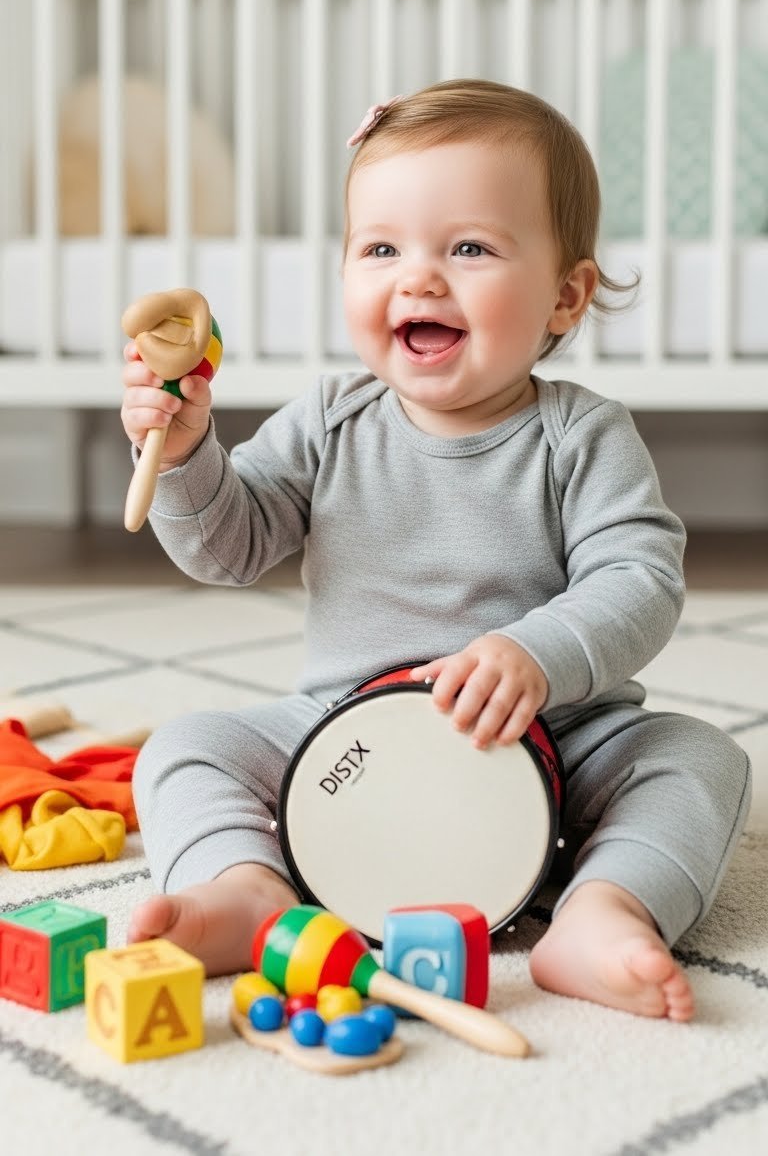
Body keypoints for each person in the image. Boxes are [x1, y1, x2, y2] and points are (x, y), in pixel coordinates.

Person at [121, 79, 751, 1019]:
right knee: (181, 747)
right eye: (380, 248)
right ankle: (250, 890)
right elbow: (230, 544)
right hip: (346, 727)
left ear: (565, 296)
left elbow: (641, 579)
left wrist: (535, 654)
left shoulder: (581, 436)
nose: (418, 278)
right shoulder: (331, 420)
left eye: (468, 248)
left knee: (702, 759)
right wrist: (181, 456)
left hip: (558, 736)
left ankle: (604, 907)